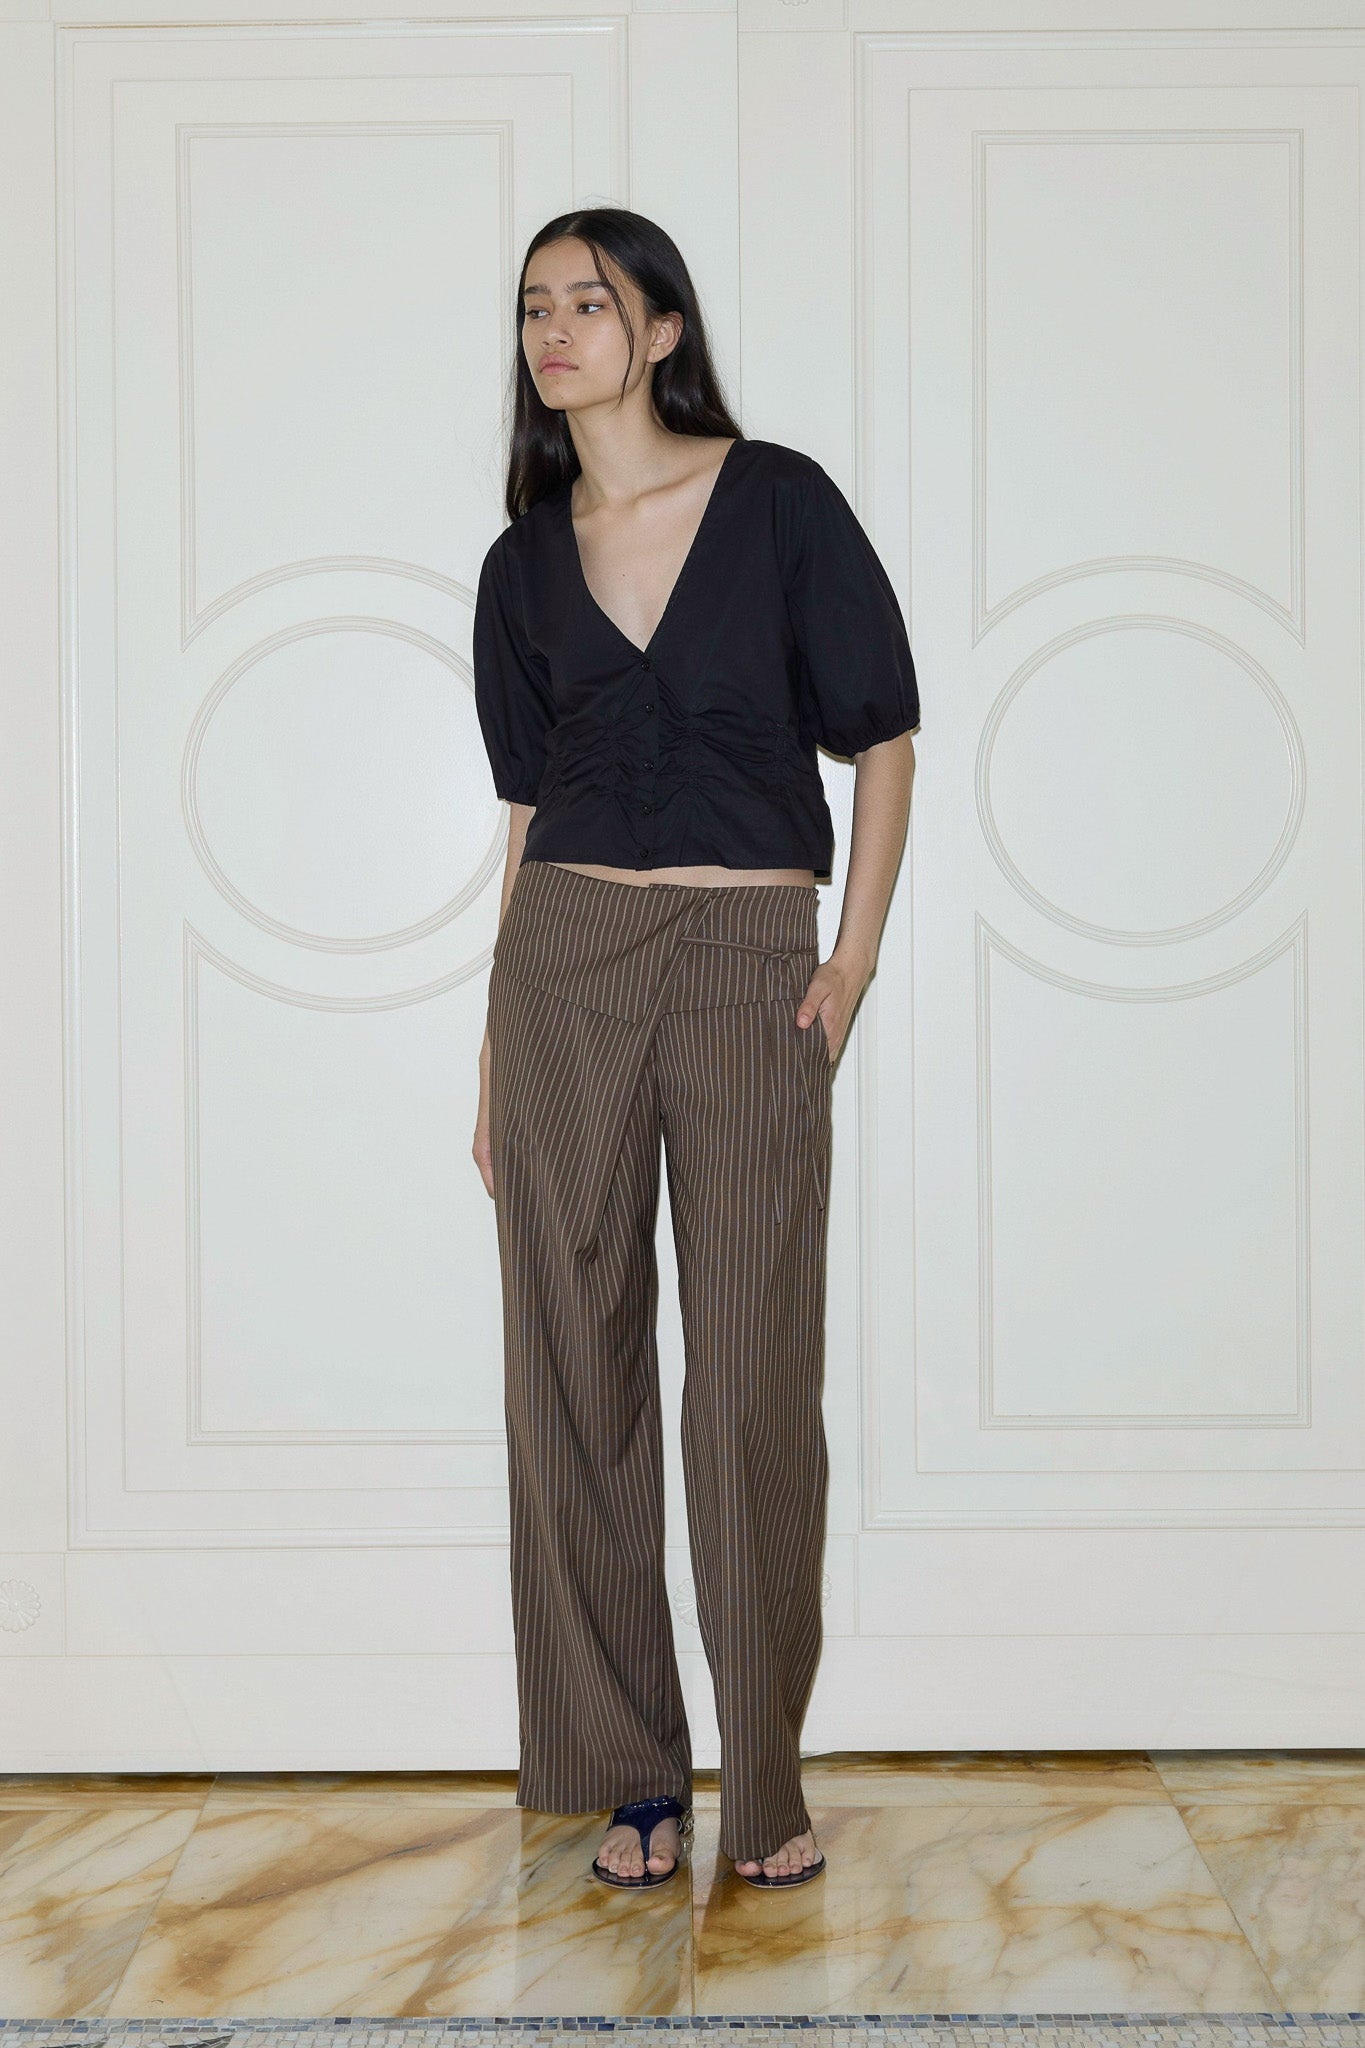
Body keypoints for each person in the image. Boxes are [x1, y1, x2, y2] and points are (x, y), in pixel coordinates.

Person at [470, 207, 918, 1893]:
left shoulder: (779, 500)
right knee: (570, 1374)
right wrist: (487, 1060)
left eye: (591, 302)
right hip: (563, 966)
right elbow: (521, 807)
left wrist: (851, 958)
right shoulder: (523, 559)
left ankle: (768, 1780)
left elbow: (881, 737)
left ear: (663, 330)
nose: (556, 331)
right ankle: (627, 1769)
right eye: (534, 309)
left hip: (749, 957)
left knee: (744, 1383)